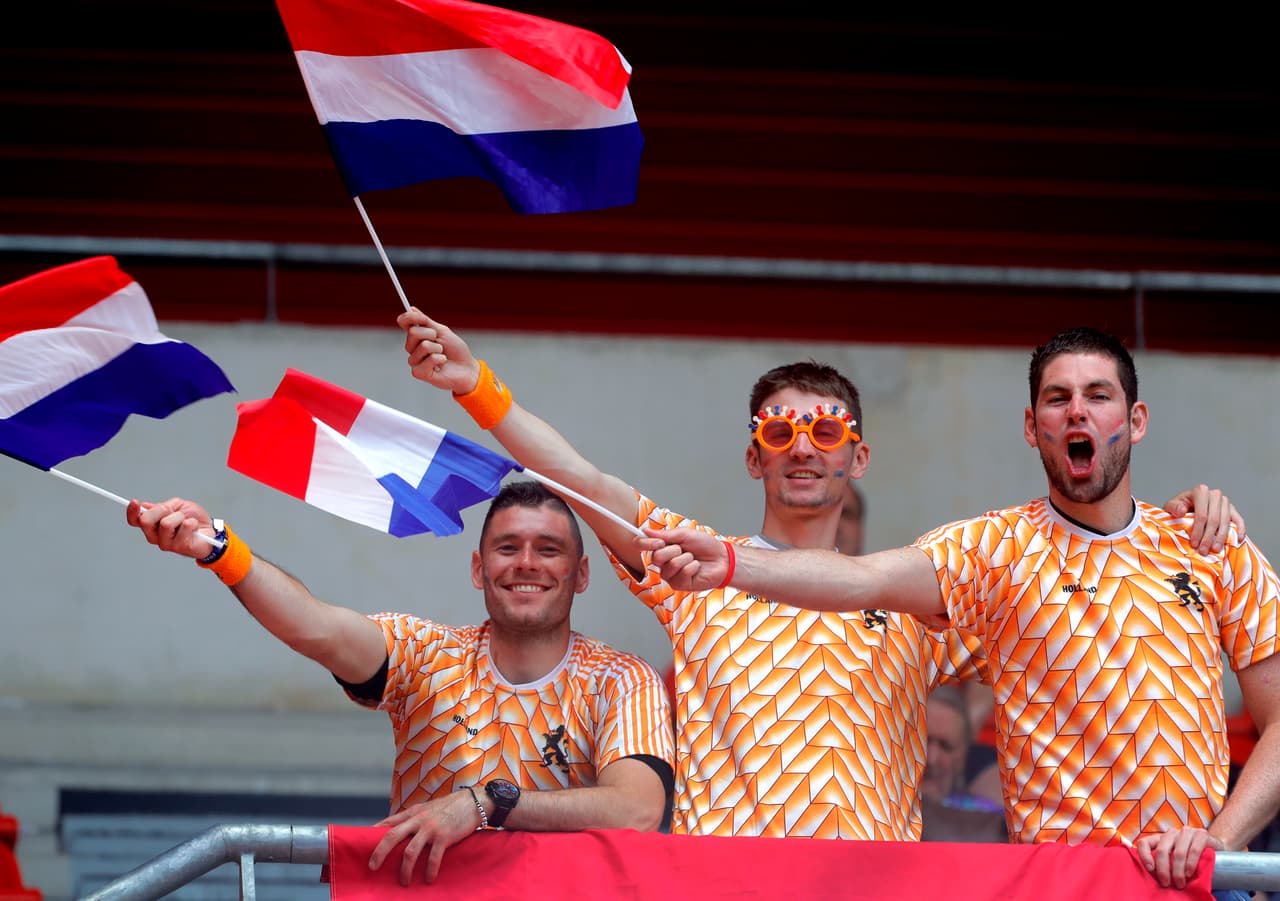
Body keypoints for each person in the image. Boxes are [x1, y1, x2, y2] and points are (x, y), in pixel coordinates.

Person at [397, 310, 1238, 844]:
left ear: (858, 455)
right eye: (781, 429)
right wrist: (478, 387)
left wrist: (1169, 523)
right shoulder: (697, 566)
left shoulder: (922, 592)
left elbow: (1077, 618)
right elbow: (583, 478)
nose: (804, 444)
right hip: (725, 887)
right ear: (754, 454)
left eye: (827, 429)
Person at [644, 326, 1277, 894]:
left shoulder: (1211, 546)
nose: (1078, 409)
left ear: (1135, 419)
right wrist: (729, 564)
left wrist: (1219, 839)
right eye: (1057, 399)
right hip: (1062, 888)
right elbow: (865, 580)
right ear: (1033, 427)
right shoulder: (988, 551)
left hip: (1203, 882)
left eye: (1098, 394)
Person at [126, 480, 674, 886]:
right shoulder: (427, 653)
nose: (526, 563)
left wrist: (487, 803)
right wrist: (221, 550)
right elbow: (315, 627)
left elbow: (639, 810)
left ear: (580, 575)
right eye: (507, 548)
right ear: (479, 569)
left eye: (548, 549)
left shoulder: (623, 679)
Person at [918, 685, 1006, 843]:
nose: (932, 759)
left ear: (963, 756)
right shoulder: (876, 810)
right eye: (924, 741)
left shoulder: (990, 823)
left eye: (946, 747)